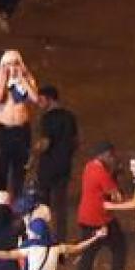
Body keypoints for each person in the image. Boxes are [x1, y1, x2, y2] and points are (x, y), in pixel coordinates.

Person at [74, 143, 125, 270]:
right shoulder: (102, 173)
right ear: (103, 155)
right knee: (120, 250)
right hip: (99, 221)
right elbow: (117, 197)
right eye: (110, 156)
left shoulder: (89, 167)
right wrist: (115, 177)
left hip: (88, 219)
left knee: (87, 258)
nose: (112, 159)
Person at [0, 51, 39, 196]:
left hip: (22, 130)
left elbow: (35, 99)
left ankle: (16, 202)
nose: (12, 67)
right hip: (4, 130)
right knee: (1, 169)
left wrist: (23, 80)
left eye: (15, 63)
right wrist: (4, 81)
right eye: (8, 64)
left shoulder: (28, 79)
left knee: (20, 169)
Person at [34, 86, 79, 237]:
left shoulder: (47, 118)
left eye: (41, 100)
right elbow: (75, 142)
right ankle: (61, 237)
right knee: (60, 206)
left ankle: (43, 235)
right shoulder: (69, 116)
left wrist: (36, 149)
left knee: (43, 204)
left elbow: (45, 143)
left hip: (48, 168)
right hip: (64, 166)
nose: (39, 104)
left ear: (49, 99)